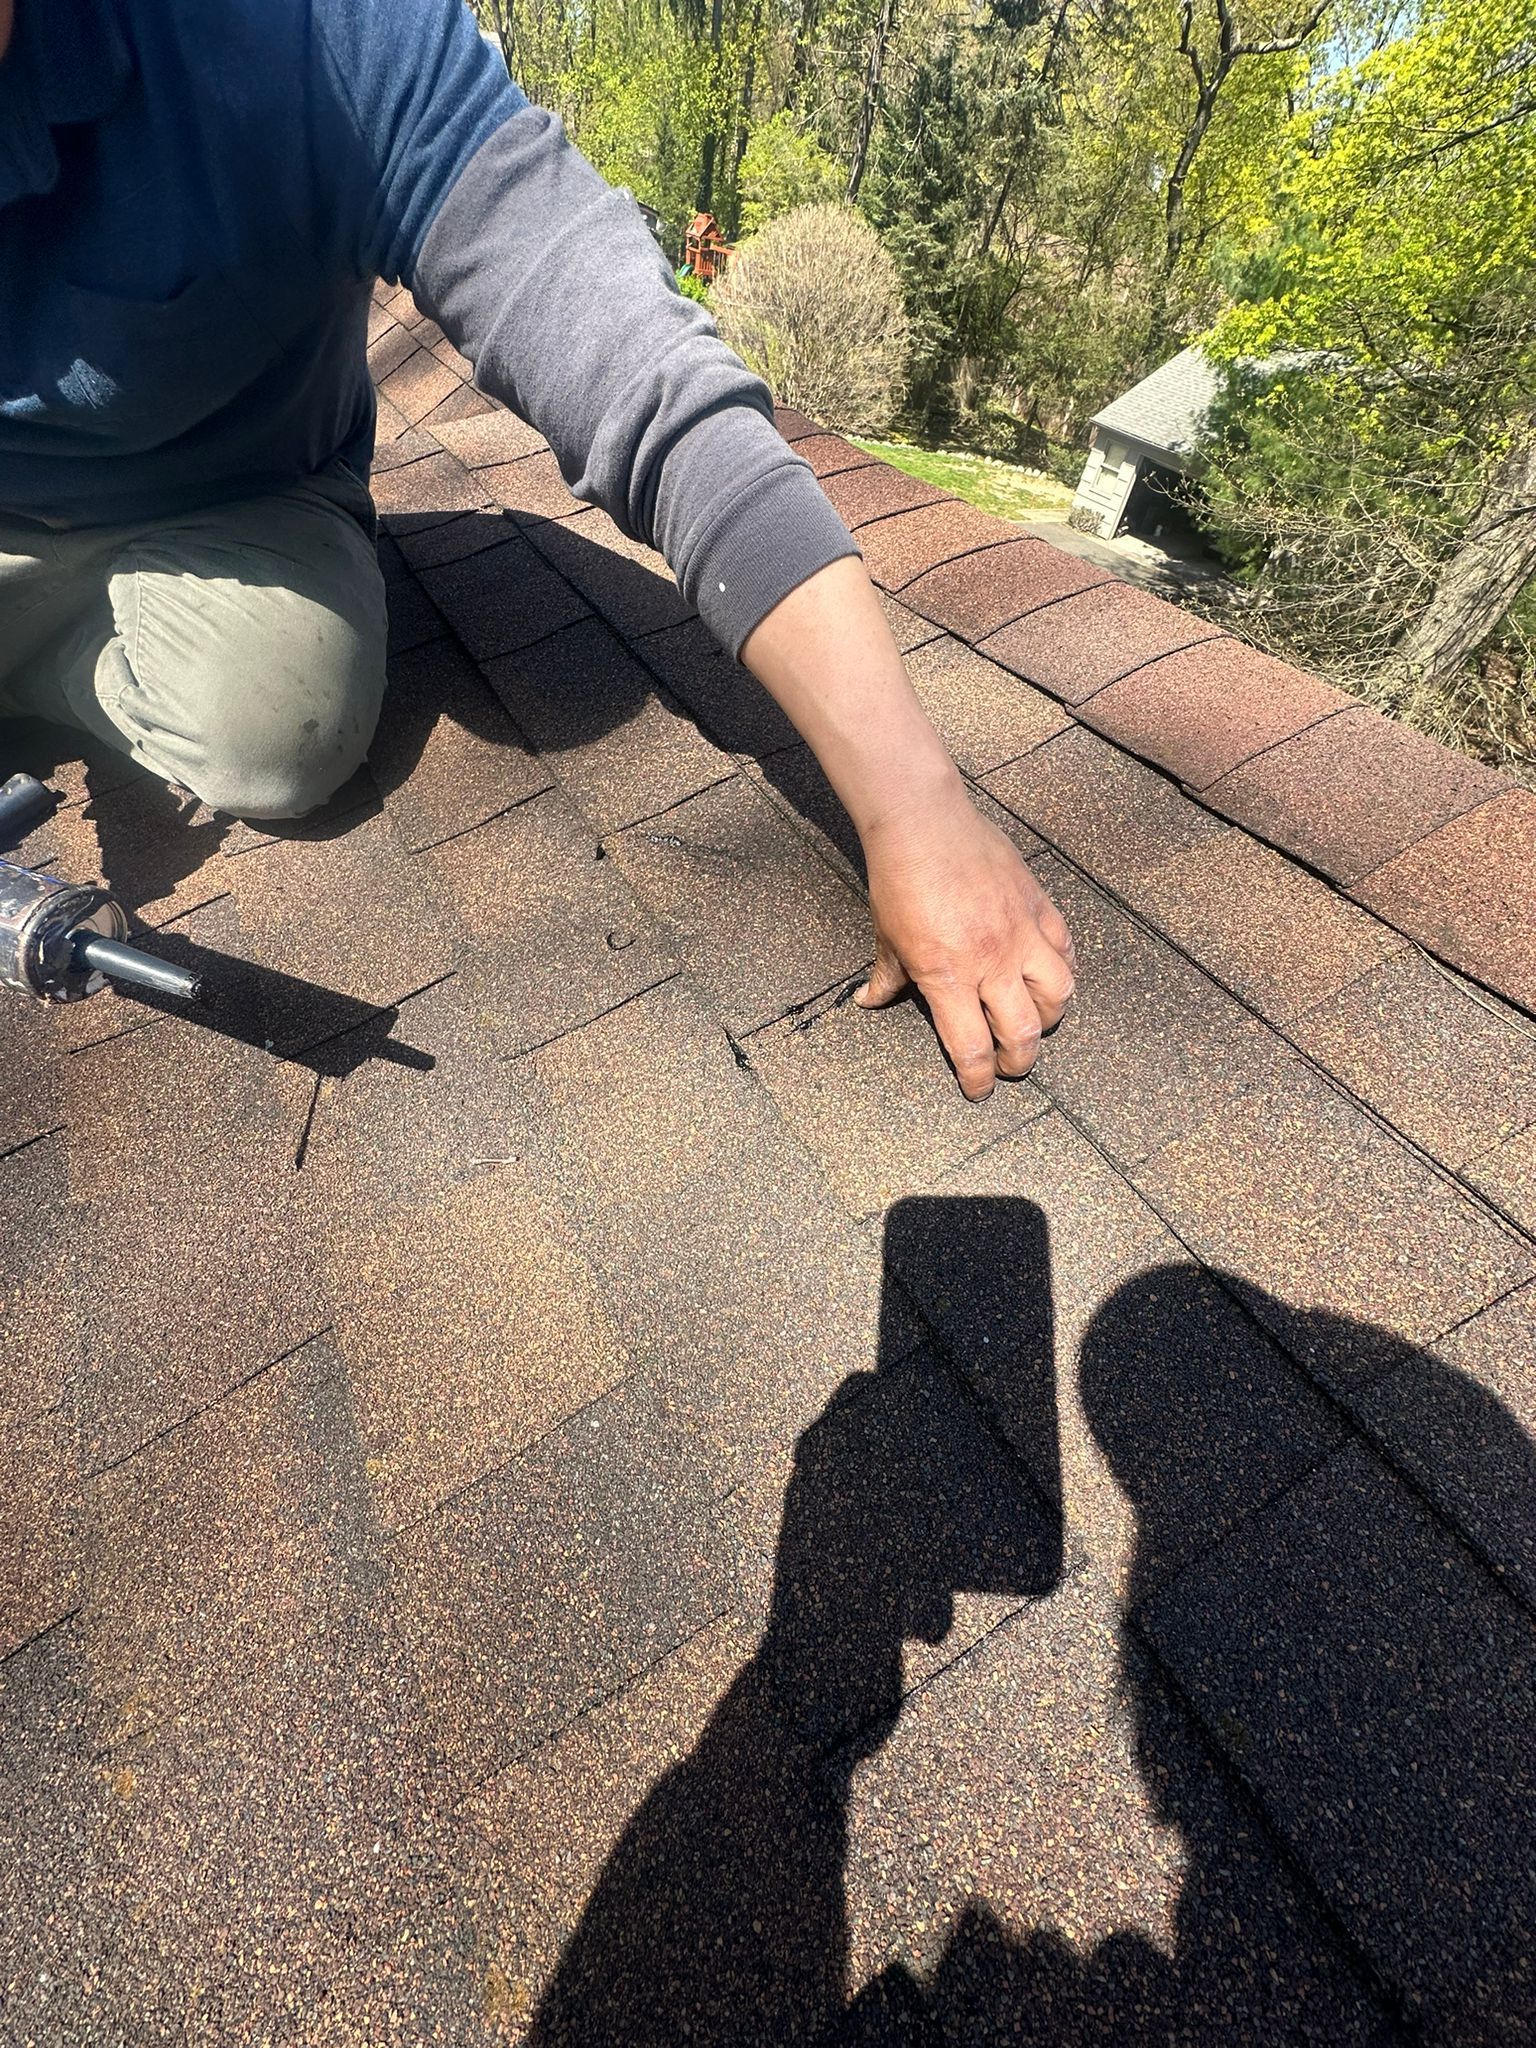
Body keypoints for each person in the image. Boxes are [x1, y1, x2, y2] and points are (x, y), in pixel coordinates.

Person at [0, 0, 1073, 1098]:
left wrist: (914, 804)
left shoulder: (305, 33)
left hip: (235, 492)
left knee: (283, 722)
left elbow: (628, 357)